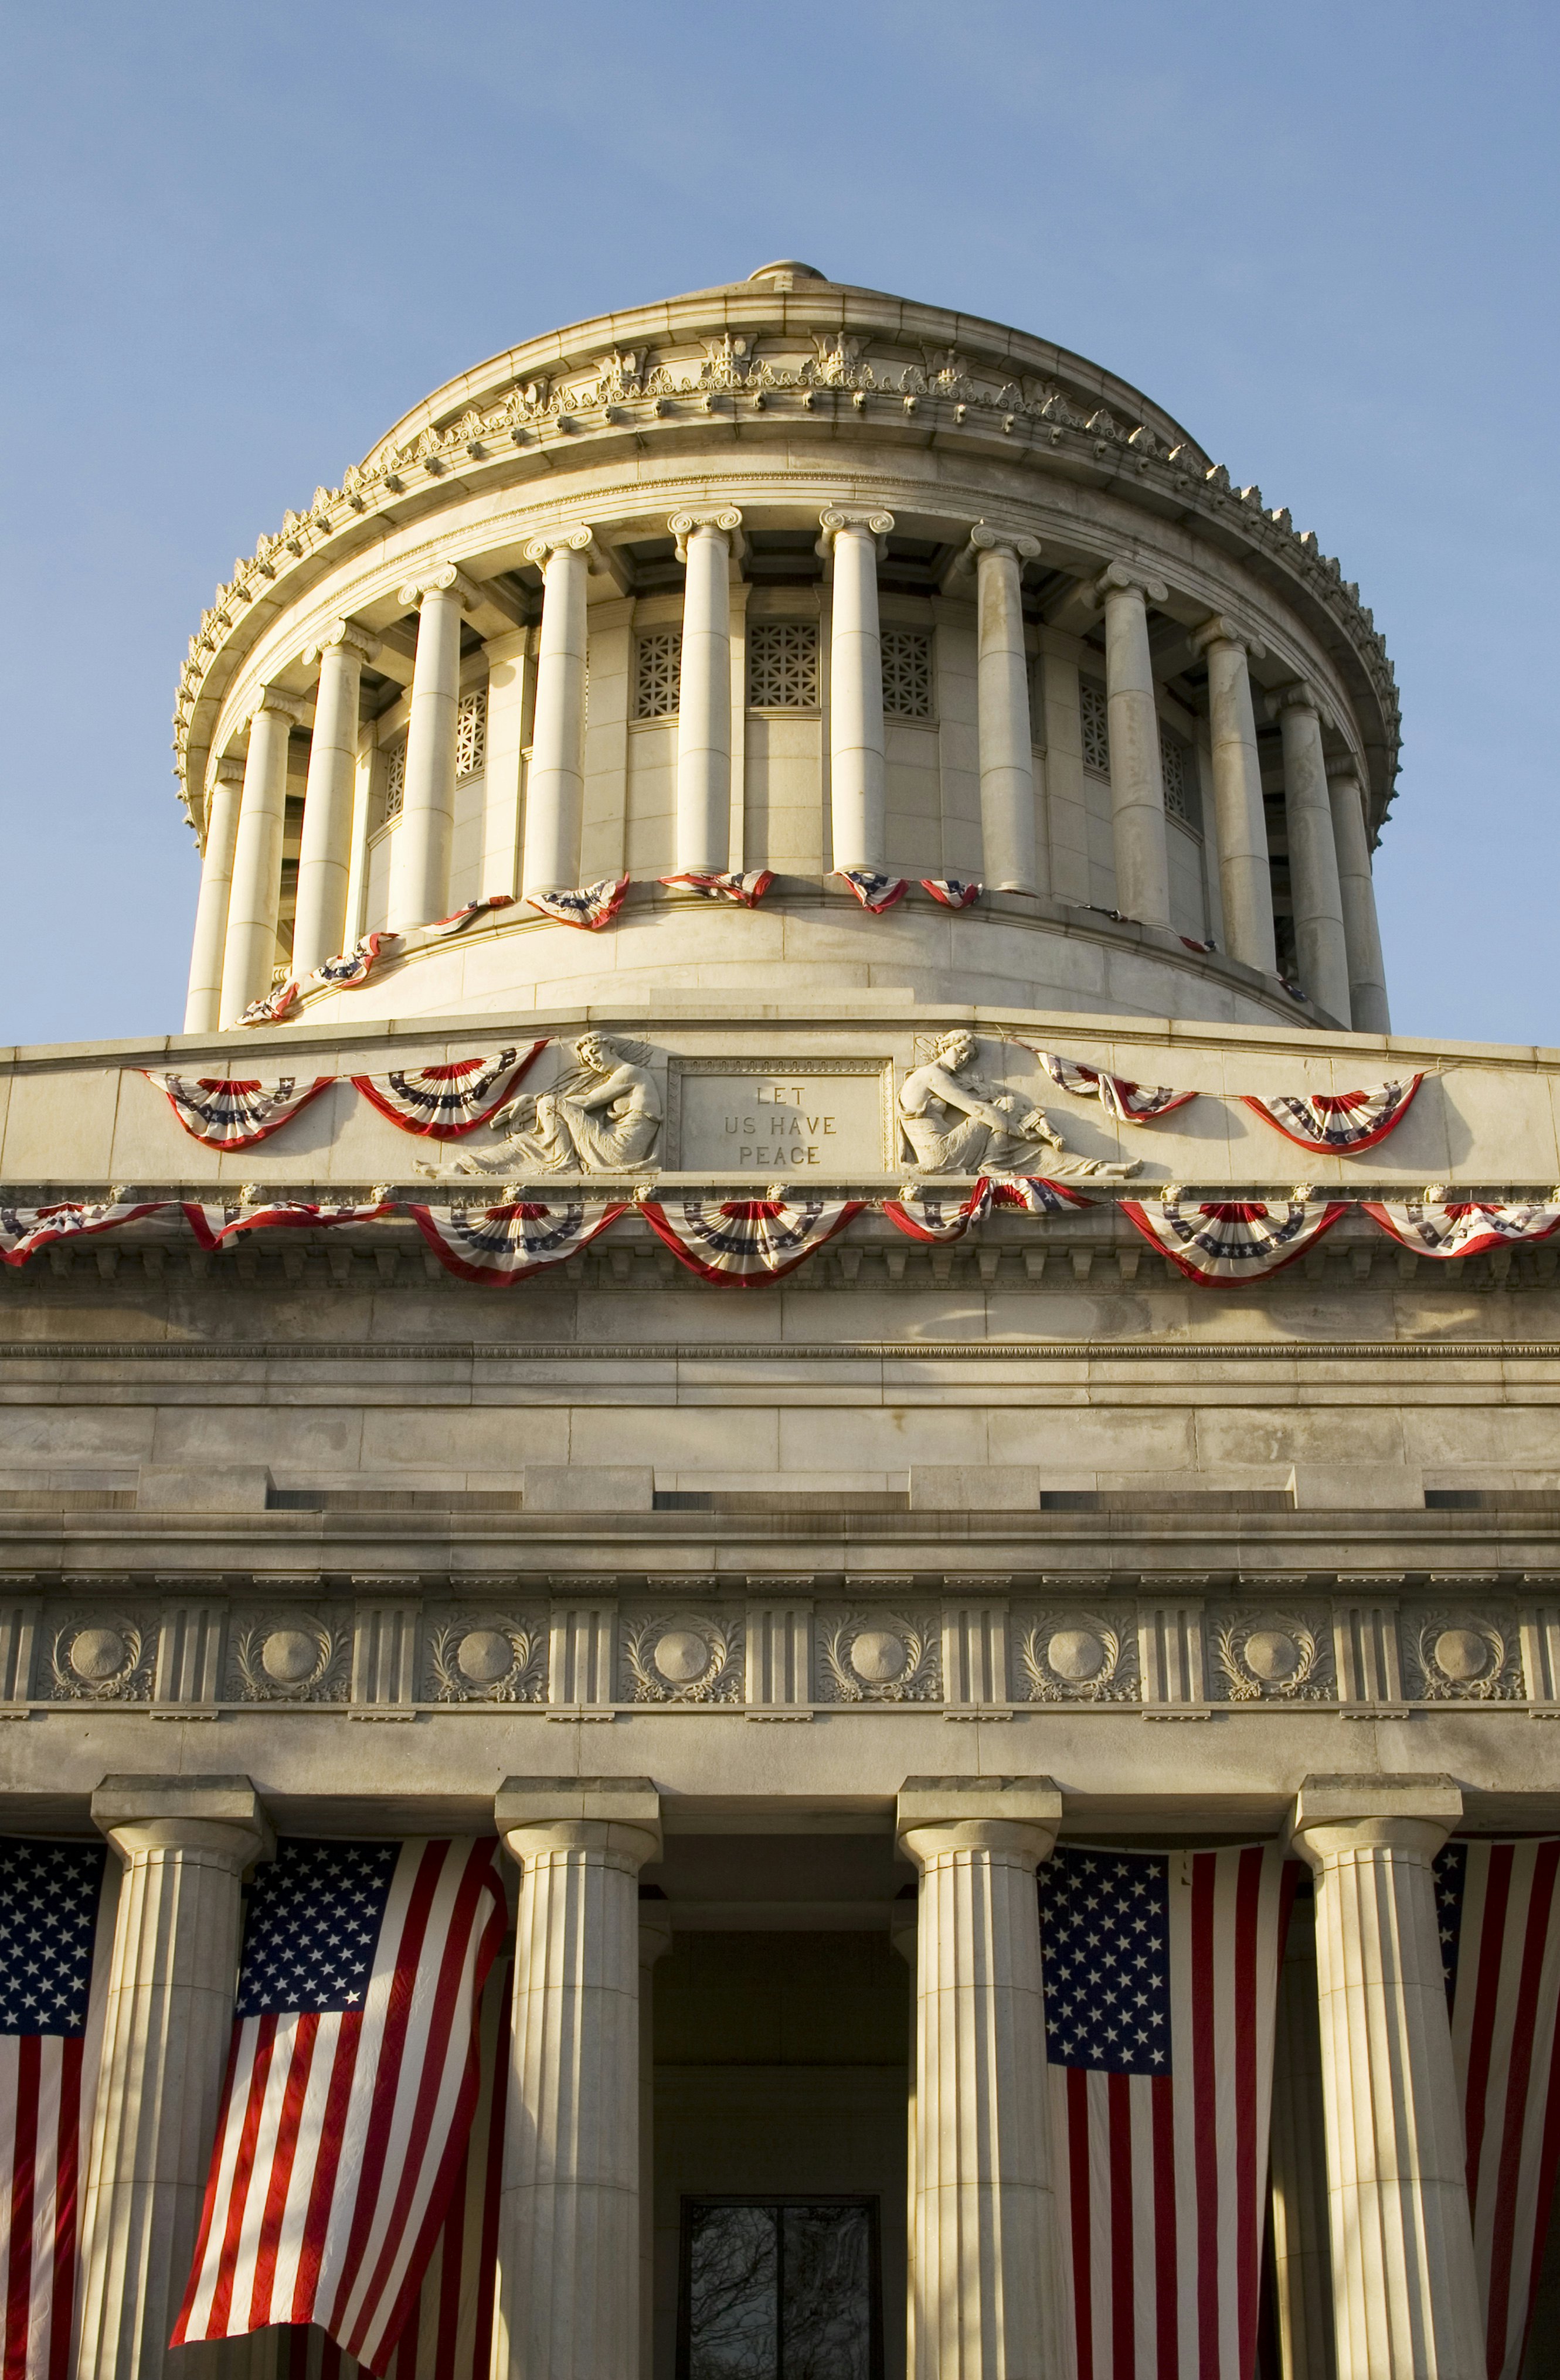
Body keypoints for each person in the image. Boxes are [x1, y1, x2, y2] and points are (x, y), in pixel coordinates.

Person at [897, 1031, 1136, 1178]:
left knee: (1017, 1134)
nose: (963, 1060)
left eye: (968, 1057)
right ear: (945, 1046)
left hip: (945, 1150)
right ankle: (992, 1165)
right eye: (959, 1052)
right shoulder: (931, 1075)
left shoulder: (939, 1076)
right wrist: (1017, 1128)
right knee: (1006, 1108)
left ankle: (1090, 1168)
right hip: (940, 1154)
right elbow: (977, 1109)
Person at [464, 1033, 662, 1175]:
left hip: (620, 1150)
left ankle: (566, 1164)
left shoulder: (630, 1073)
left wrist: (538, 1104)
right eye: (588, 1059)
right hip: (616, 1148)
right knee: (538, 1126)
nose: (593, 1060)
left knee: (550, 1103)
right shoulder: (620, 1077)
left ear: (610, 1047)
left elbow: (587, 1101)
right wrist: (536, 1105)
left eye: (595, 1051)